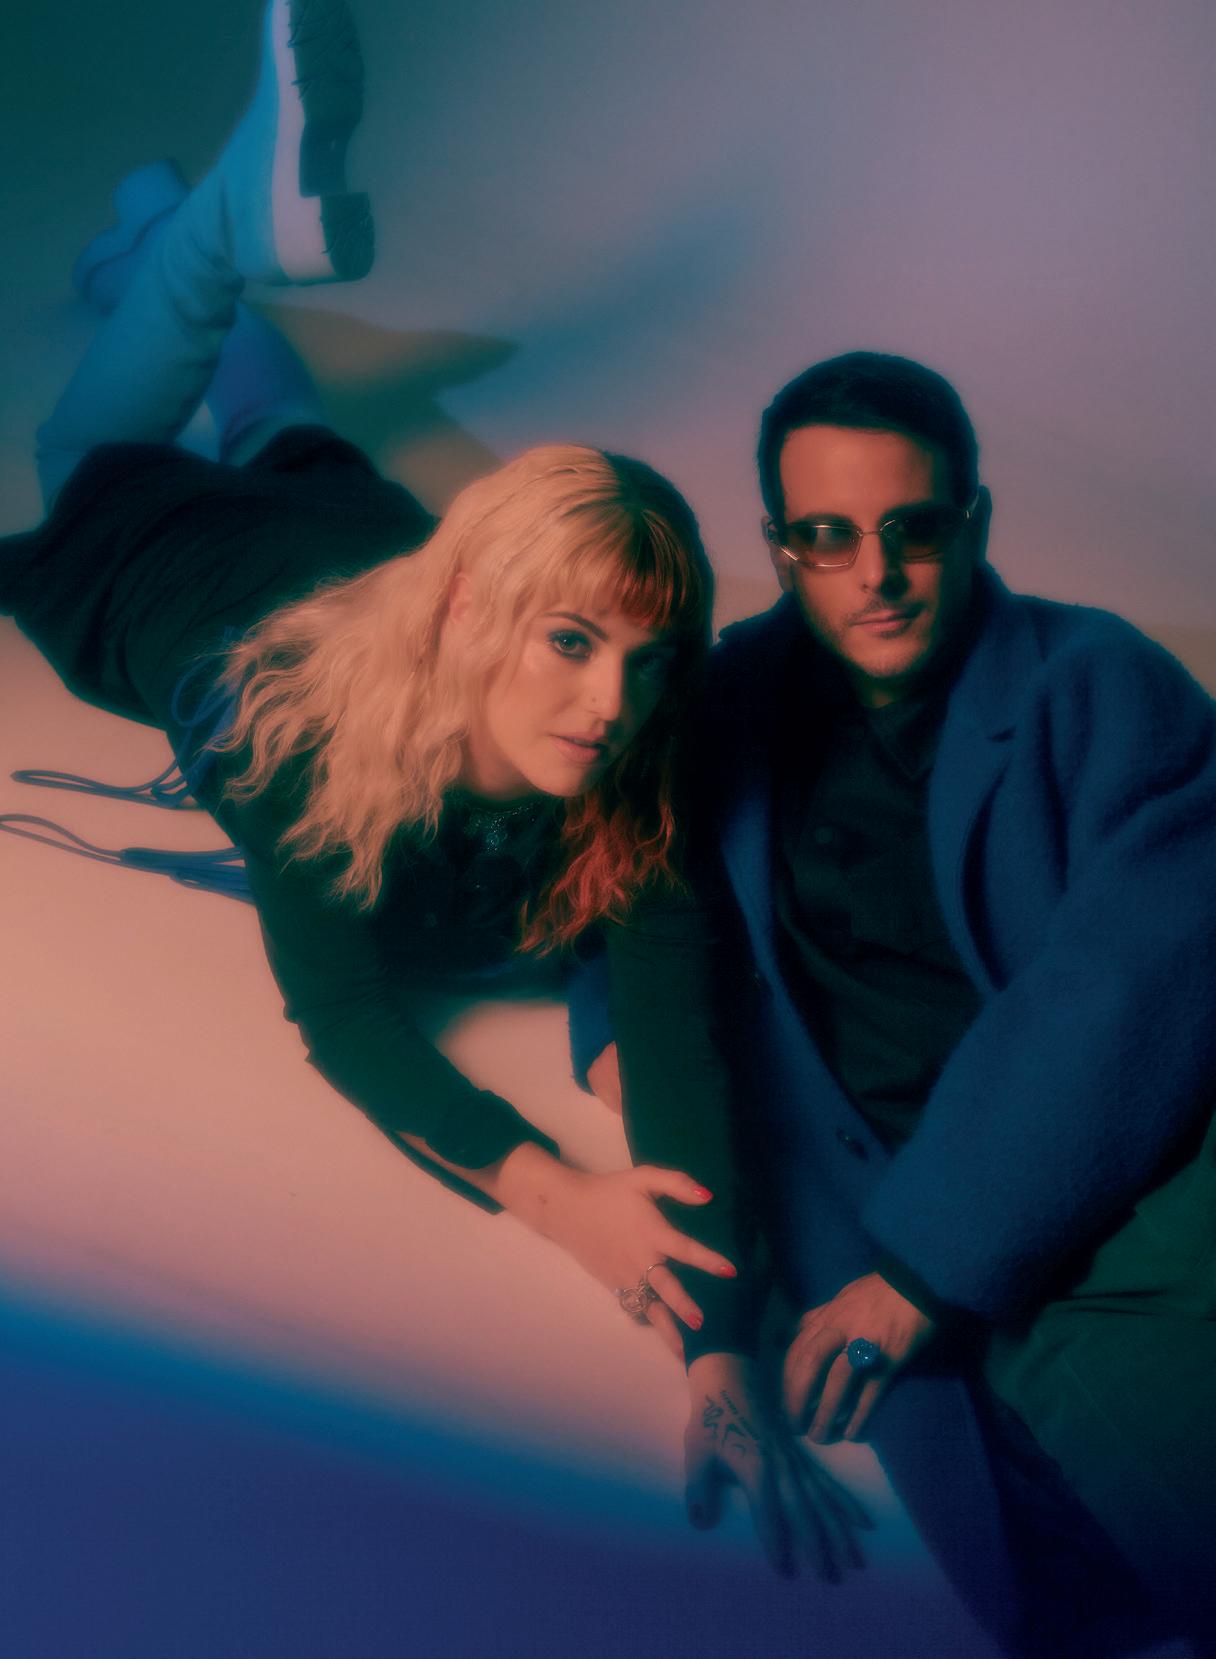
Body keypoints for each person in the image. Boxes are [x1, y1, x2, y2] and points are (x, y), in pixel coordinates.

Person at [0, 0, 749, 1361]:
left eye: (644, 661)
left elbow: (665, 992)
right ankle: (197, 228)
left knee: (285, 424)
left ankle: (160, 229)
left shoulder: (614, 726)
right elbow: (346, 1018)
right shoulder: (304, 750)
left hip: (362, 538)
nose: (611, 705)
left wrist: (716, 1349)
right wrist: (559, 1203)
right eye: (571, 643)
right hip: (170, 554)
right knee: (90, 450)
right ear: (476, 610)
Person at [605, 352, 1216, 1654]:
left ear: (974, 522)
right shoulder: (717, 704)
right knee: (1051, 1572)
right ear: (780, 546)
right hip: (867, 1201)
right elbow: (629, 902)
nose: (873, 573)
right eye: (827, 537)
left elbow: (1132, 985)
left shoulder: (1098, 681)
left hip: (1126, 1192)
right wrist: (612, 1038)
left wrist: (921, 1273)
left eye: (912, 529)